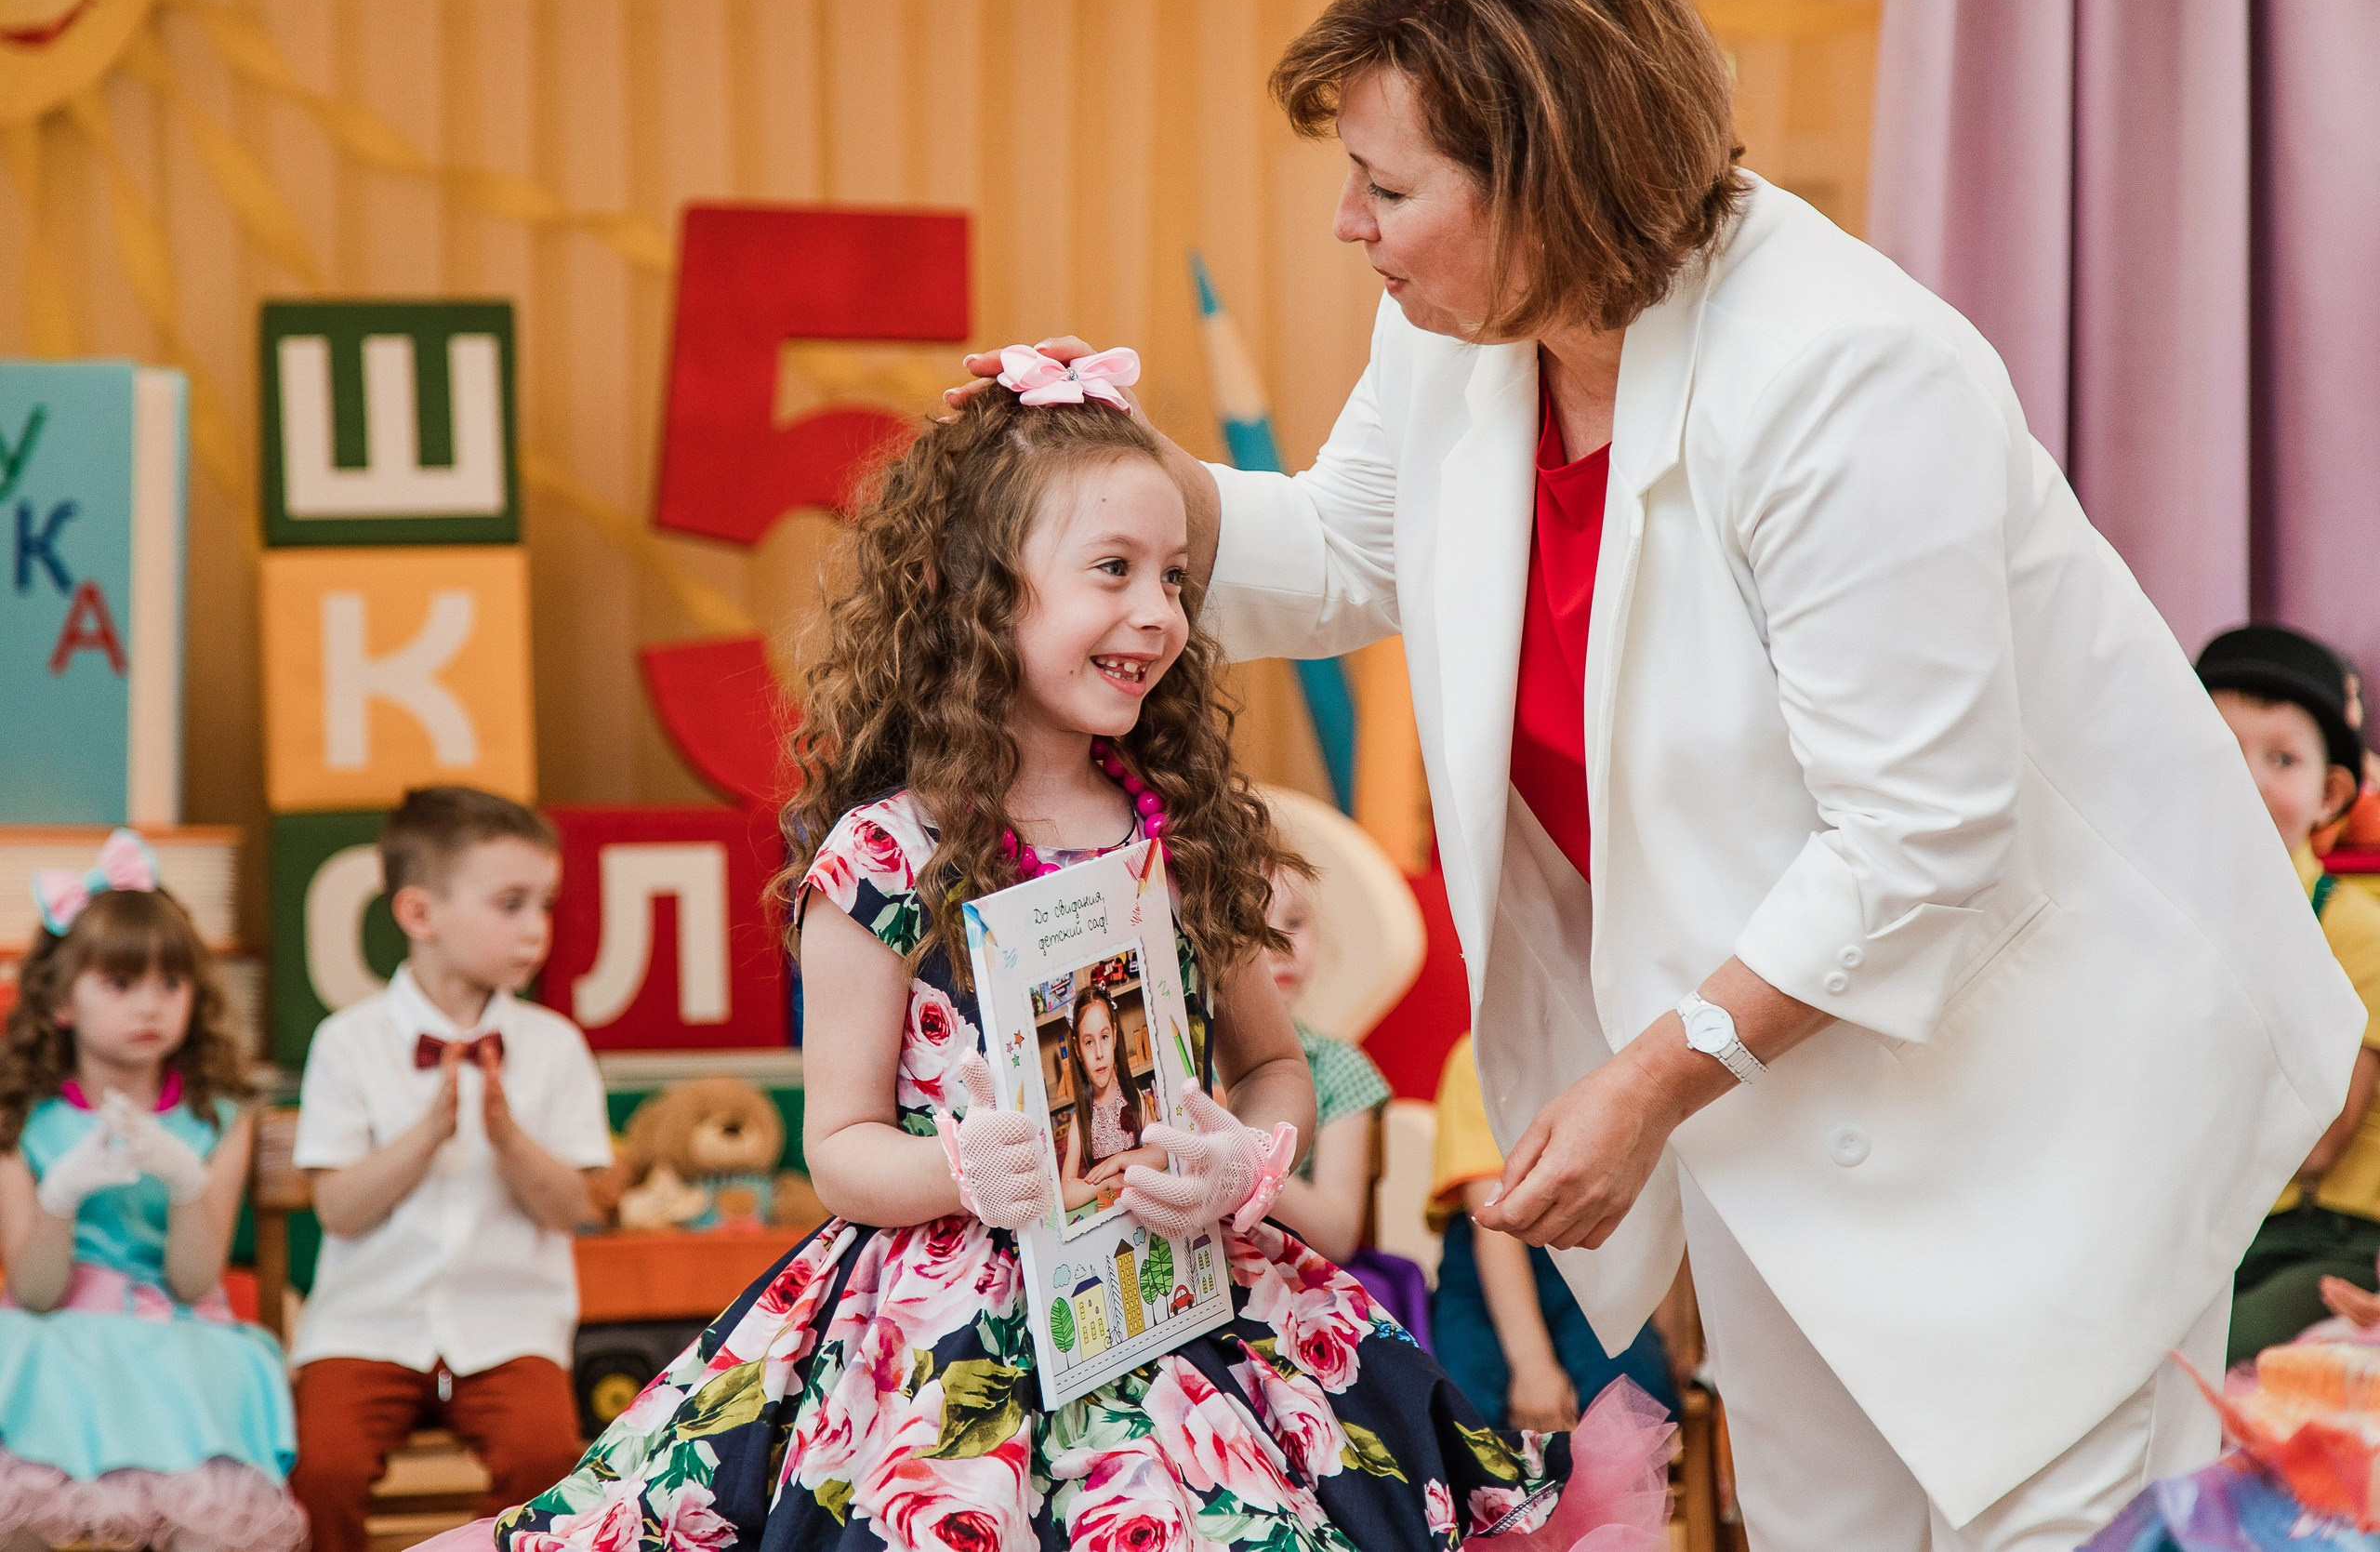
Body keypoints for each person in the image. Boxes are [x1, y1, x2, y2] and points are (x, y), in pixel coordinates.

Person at [951, 0, 2362, 1545]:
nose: (1351, 224)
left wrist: (1648, 1081)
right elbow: (1354, 544)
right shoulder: (1466, 332)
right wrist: (1108, 476)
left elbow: (1919, 837)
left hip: (2044, 1093)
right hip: (1785, 1095)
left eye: (1388, 185)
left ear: (1548, 181)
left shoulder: (1844, 372)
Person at [461, 359, 1671, 1552]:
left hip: (1182, 1295)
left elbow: (1278, 1067)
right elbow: (839, 1149)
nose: (1158, 612)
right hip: (947, 1333)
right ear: (972, 590)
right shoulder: (881, 856)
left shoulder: (1185, 829)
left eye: (1176, 577)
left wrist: (1246, 1156)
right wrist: (957, 1168)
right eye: (1113, 569)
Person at [287, 787, 614, 1552]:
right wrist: (426, 1133)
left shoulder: (555, 1044)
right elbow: (337, 1208)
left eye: (545, 904)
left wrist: (507, 1137)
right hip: (365, 1324)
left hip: (509, 1326)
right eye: (510, 903)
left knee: (545, 1462)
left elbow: (576, 1207)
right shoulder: (348, 1041)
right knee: (321, 1470)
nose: (536, 928)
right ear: (419, 915)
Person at [0, 830, 303, 1552]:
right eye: (121, 982)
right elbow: (37, 1291)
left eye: (172, 984)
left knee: (217, 1522)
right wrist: (60, 1195)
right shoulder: (20, 1118)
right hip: (55, 1336)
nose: (151, 1006)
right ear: (59, 1002)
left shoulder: (217, 1119)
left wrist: (186, 1180)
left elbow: (194, 1278)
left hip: (179, 1332)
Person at [2199, 627, 2380, 1364]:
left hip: (2323, 1235)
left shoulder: (2354, 926)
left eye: (2281, 758)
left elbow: (2319, 1139)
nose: (2246, 779)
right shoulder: (2161, 917)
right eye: (2217, 750)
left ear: (2329, 792)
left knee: (2201, 1363)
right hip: (2206, 1229)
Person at [1428, 1033, 1676, 1433]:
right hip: (1491, 1271)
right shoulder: (1479, 1054)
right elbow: (1495, 1226)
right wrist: (1532, 1366)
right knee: (1467, 1401)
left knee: (1633, 1392)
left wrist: (1670, 1334)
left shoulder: (1627, 1047)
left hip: (1596, 1259)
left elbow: (1661, 1207)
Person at [1262, 867, 1395, 1267]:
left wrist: (1247, 1159)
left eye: (1294, 922)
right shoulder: (1182, 1062)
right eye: (1250, 924)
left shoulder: (1338, 1068)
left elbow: (1339, 1236)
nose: (1280, 944)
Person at [1056, 984, 1163, 1218]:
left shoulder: (1133, 1097)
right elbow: (1066, 1193)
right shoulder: (1081, 1118)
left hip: (1147, 1209)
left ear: (1114, 1036)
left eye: (1104, 1037)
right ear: (1076, 1048)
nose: (1099, 1053)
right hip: (1113, 1217)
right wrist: (1106, 1182)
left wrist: (1119, 1161)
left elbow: (1161, 1154)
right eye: (1088, 1042)